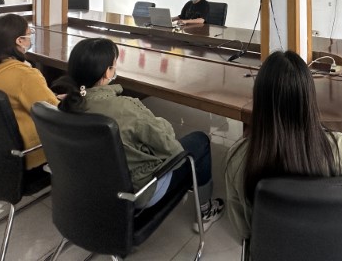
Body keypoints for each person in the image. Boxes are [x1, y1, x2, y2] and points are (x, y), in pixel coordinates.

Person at [53, 38, 225, 231]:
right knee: (200, 141)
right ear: (108, 72)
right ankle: (206, 210)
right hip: (138, 192)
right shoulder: (126, 107)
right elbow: (171, 149)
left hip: (91, 189)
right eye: (114, 64)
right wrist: (161, 124)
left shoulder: (66, 105)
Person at [225, 50, 342, 241]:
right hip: (330, 249)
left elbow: (244, 232)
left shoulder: (237, 159)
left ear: (259, 101)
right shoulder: (339, 149)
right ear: (309, 99)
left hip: (270, 252)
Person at [0, 14, 57, 169]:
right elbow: (54, 114)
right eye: (29, 33)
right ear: (19, 40)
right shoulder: (25, 76)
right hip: (34, 153)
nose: (31, 37)